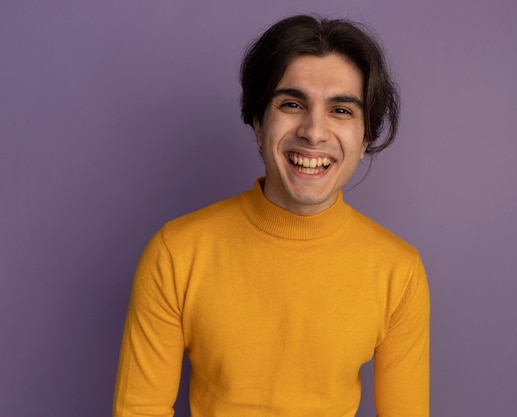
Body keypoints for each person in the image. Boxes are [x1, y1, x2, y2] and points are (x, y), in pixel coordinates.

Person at [113, 14, 429, 417]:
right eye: (292, 104)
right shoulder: (176, 252)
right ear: (259, 123)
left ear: (366, 137)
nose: (314, 132)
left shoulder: (398, 272)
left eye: (341, 111)